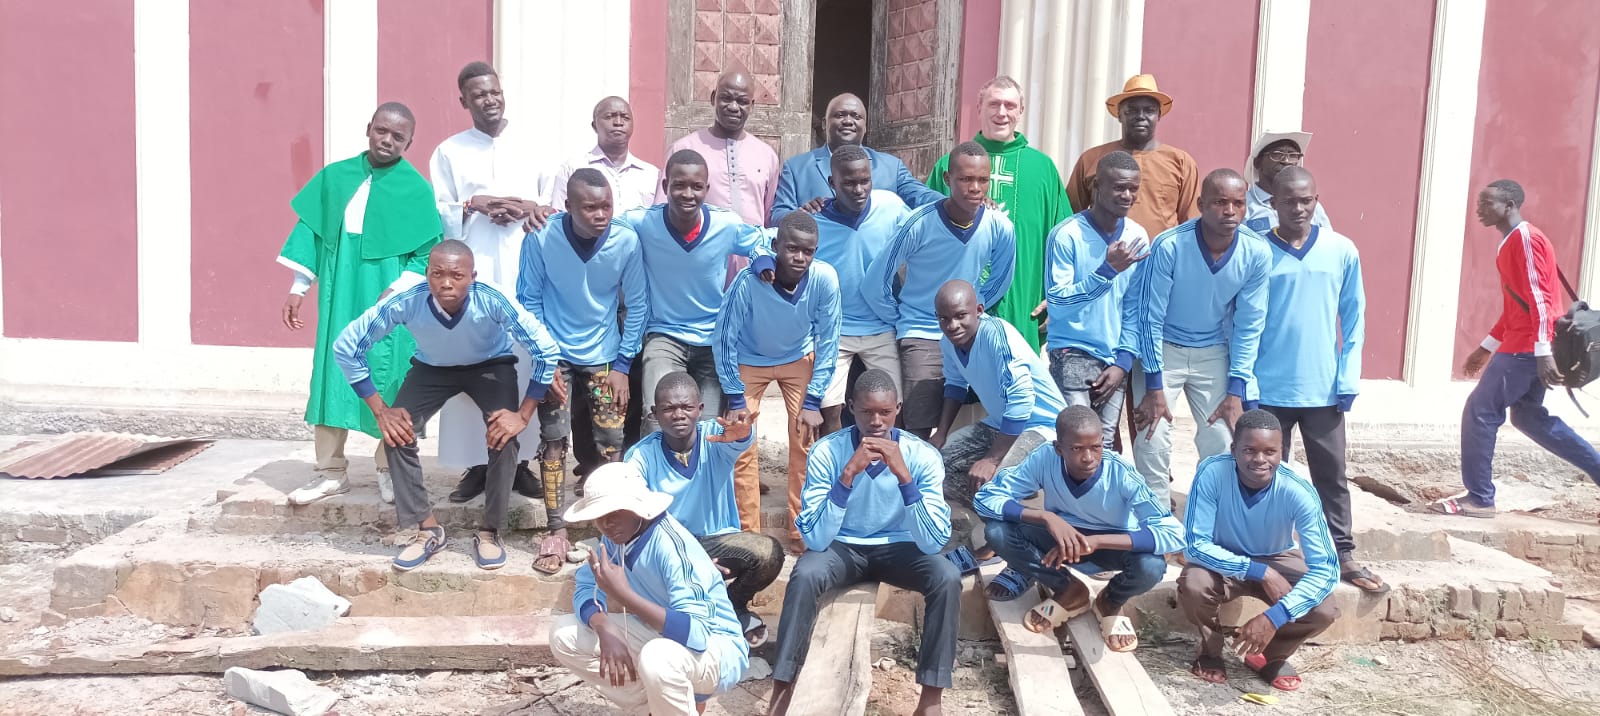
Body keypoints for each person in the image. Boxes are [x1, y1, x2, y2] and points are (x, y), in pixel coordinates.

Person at [331, 240, 562, 571]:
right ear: (426, 274)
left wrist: (522, 415)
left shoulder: (492, 298)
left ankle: (490, 531)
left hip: (490, 365)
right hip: (432, 369)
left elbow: (545, 349)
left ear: (472, 277)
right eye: (437, 274)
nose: (446, 283)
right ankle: (427, 529)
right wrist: (380, 410)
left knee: (505, 436)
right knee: (397, 434)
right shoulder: (407, 300)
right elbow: (346, 346)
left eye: (457, 275)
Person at [278, 102, 441, 506]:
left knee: (392, 378)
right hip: (339, 293)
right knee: (332, 377)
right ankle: (330, 471)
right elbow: (312, 233)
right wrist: (299, 287)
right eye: (382, 131)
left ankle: (390, 468)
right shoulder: (335, 177)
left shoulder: (417, 190)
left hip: (391, 301)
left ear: (409, 143)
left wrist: (399, 287)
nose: (387, 140)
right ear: (369, 128)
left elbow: (426, 252)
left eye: (398, 137)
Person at [769, 370, 957, 716]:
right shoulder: (828, 451)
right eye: (866, 411)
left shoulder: (922, 455)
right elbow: (815, 538)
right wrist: (847, 476)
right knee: (806, 574)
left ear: (898, 409)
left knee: (946, 577)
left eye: (885, 412)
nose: (876, 421)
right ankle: (783, 687)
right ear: (850, 407)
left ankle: (931, 699)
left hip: (899, 547)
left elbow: (933, 542)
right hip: (843, 546)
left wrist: (904, 477)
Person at [1244, 167, 1385, 594]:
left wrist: (1349, 375)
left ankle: (1342, 553)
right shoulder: (1257, 251)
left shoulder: (1341, 249)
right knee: (1265, 475)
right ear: (1273, 204)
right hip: (1269, 389)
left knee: (1332, 475)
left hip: (1323, 389)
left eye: (1306, 200)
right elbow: (1244, 321)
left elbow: (1355, 316)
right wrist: (1245, 381)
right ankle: (1267, 552)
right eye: (1289, 201)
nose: (1299, 208)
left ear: (1317, 201)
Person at [1433, 179, 1600, 518]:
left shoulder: (1525, 238)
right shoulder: (1512, 240)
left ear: (1509, 205)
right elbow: (1516, 305)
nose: (1479, 209)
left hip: (1528, 347)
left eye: (1487, 203)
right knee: (1527, 417)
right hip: (1529, 344)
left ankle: (1480, 498)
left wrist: (1542, 351)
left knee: (1480, 411)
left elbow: (1540, 299)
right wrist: (1486, 347)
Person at [429, 61, 557, 502]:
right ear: (464, 101)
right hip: (474, 268)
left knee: (523, 359)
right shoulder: (449, 151)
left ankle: (519, 462)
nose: (489, 100)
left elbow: (556, 203)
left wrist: (527, 208)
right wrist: (474, 205)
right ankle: (476, 464)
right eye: (479, 94)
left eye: (494, 91)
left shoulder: (535, 145)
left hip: (524, 265)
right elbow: (438, 210)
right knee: (472, 359)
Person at [517, 169, 647, 574]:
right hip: (555, 355)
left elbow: (638, 305)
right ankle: (556, 529)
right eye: (589, 207)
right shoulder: (541, 237)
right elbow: (528, 300)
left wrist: (623, 365)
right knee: (553, 440)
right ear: (567, 206)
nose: (600, 215)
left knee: (611, 444)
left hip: (606, 358)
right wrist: (545, 361)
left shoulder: (626, 240)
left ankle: (612, 528)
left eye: (606, 206)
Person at [976, 406, 1183, 651]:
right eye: (1076, 449)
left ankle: (1111, 601)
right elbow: (986, 498)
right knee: (997, 532)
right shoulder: (1044, 457)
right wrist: (1045, 518)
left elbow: (1173, 533)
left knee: (1151, 565)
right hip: (1061, 539)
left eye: (1096, 447)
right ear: (1058, 448)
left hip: (1111, 544)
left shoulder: (1120, 472)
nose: (1088, 458)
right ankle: (1068, 589)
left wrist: (1097, 542)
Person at [550, 462, 749, 716]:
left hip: (715, 650)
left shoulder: (670, 546)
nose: (606, 523)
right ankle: (656, 708)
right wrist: (603, 626)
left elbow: (697, 635)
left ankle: (674, 701)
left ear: (637, 506)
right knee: (563, 633)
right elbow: (586, 586)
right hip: (661, 636)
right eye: (598, 516)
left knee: (657, 659)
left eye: (614, 511)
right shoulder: (615, 538)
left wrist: (626, 597)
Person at [1133, 169, 1270, 507]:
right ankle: (1157, 518)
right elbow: (1149, 317)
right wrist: (1154, 385)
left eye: (1238, 203)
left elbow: (1250, 323)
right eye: (1220, 202)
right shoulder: (1170, 245)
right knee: (1152, 435)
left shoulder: (1256, 252)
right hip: (1163, 350)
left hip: (1213, 350)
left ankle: (1204, 514)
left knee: (1222, 438)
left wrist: (1236, 389)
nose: (1230, 211)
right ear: (1201, 204)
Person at [1179, 410, 1339, 693]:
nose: (1260, 459)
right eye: (1249, 450)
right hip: (1223, 556)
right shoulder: (1212, 472)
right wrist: (1260, 572)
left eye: (1270, 451)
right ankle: (1211, 651)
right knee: (1194, 583)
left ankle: (1269, 655)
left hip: (1278, 556)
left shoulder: (1298, 489)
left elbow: (1326, 569)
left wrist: (1275, 616)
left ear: (1282, 452)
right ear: (1233, 450)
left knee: (1324, 608)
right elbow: (1195, 545)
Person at [867, 141, 1017, 439]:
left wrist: (974, 309)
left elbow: (1001, 278)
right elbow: (876, 281)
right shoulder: (919, 223)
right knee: (918, 424)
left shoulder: (999, 226)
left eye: (983, 180)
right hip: (922, 332)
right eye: (965, 179)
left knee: (983, 416)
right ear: (948, 179)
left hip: (969, 333)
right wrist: (902, 317)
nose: (975, 188)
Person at [626, 372, 783, 647]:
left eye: (686, 407)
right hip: (668, 550)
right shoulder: (640, 457)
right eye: (669, 408)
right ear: (654, 413)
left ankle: (732, 606)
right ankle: (698, 617)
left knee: (768, 552)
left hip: (717, 543)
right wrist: (691, 560)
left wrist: (743, 434)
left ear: (700, 409)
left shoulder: (715, 438)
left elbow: (738, 439)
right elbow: (637, 521)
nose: (679, 415)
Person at [625, 149, 773, 437]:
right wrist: (545, 213)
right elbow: (603, 225)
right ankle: (653, 465)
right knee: (657, 415)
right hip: (664, 335)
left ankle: (699, 468)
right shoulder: (643, 222)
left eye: (696, 187)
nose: (688, 194)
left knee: (707, 426)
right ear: (665, 186)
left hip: (712, 339)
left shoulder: (725, 224)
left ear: (707, 188)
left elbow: (764, 240)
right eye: (679, 185)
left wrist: (761, 259)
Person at [715, 212, 842, 543]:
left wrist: (813, 400)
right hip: (750, 360)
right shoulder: (748, 281)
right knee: (741, 440)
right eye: (791, 249)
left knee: (805, 438)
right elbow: (724, 338)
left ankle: (802, 532)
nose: (799, 257)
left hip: (797, 358)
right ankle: (749, 538)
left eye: (808, 251)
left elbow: (830, 340)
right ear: (775, 246)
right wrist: (734, 395)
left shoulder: (824, 278)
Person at [927, 75, 1072, 350]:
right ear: (979, 108)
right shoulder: (949, 165)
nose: (1002, 113)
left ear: (1021, 111)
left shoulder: (1043, 169)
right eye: (994, 104)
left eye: (1010, 105)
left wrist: (1058, 297)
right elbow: (925, 235)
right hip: (955, 307)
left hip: (1023, 300)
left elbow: (1064, 241)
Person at [931, 280, 1066, 551]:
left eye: (960, 316)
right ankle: (1001, 521)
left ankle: (1022, 537)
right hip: (1000, 424)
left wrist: (991, 460)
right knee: (935, 467)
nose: (952, 325)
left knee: (997, 480)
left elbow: (1022, 403)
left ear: (979, 310)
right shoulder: (948, 342)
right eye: (944, 319)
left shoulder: (997, 335)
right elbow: (955, 385)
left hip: (1043, 428)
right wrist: (941, 434)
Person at [1044, 150, 1150, 449]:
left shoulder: (1137, 236)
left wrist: (1123, 362)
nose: (1127, 196)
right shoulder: (1066, 234)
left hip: (1114, 359)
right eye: (1119, 187)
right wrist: (1106, 272)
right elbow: (1058, 303)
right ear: (1096, 186)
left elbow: (1134, 306)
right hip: (1071, 352)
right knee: (1076, 441)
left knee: (1103, 445)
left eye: (1133, 188)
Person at [812, 145, 912, 434]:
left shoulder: (890, 207)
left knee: (894, 404)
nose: (859, 190)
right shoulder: (816, 221)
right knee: (829, 407)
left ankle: (891, 458)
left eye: (864, 181)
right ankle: (834, 459)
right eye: (849, 183)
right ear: (832, 183)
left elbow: (924, 234)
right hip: (834, 330)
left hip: (881, 325)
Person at [769, 92, 943, 224]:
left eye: (856, 116)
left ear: (865, 126)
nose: (848, 121)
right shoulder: (796, 167)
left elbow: (923, 197)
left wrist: (953, 204)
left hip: (876, 260)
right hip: (819, 259)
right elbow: (777, 215)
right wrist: (801, 215)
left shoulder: (891, 167)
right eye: (840, 115)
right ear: (824, 124)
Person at [1065, 74, 1199, 238]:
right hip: (1101, 252)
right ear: (1119, 115)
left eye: (1149, 110)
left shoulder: (1181, 162)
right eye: (1132, 110)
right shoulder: (1091, 159)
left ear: (1159, 115)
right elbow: (1070, 217)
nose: (1140, 116)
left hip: (1159, 253)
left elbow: (1191, 225)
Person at [659, 71, 780, 226]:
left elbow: (770, 216)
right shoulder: (683, 149)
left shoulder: (767, 156)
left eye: (742, 101)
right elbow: (662, 209)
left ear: (752, 106)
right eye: (726, 98)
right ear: (713, 98)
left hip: (753, 242)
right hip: (701, 242)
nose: (733, 107)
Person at [550, 96, 660, 213]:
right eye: (609, 116)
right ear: (594, 126)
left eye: (625, 117)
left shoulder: (652, 174)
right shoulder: (573, 168)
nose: (618, 122)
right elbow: (559, 215)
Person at [1243, 130, 1331, 229]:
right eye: (1277, 154)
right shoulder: (1241, 204)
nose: (1286, 161)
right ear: (1257, 162)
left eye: (1292, 155)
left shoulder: (1310, 205)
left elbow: (1327, 238)